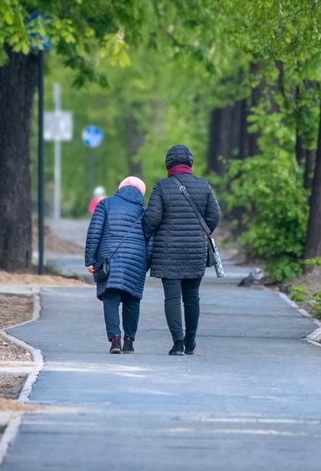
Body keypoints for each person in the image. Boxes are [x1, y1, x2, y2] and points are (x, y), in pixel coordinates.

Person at [142, 144, 221, 356]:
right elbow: (215, 215)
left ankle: (177, 343)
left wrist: (145, 235)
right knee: (192, 297)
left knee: (172, 298)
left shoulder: (162, 187)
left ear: (168, 164)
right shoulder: (204, 187)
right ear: (190, 163)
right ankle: (191, 341)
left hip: (168, 252)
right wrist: (200, 232)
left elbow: (152, 219)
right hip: (195, 249)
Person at [85, 176, 151, 354]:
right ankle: (129, 341)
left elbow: (94, 232)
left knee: (111, 298)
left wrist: (90, 259)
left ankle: (115, 340)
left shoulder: (105, 204)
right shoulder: (144, 211)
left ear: (121, 188)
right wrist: (146, 263)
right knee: (132, 301)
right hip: (136, 260)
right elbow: (150, 240)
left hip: (109, 259)